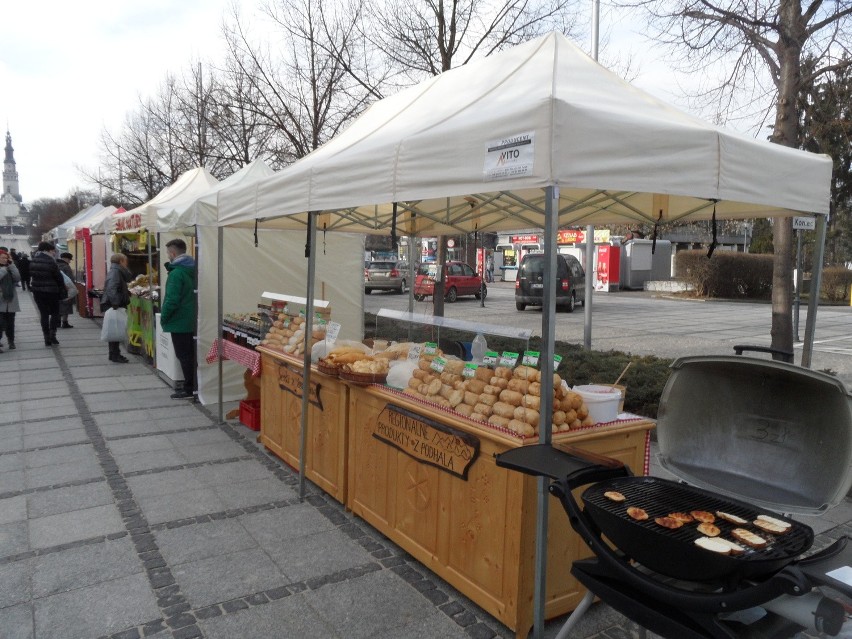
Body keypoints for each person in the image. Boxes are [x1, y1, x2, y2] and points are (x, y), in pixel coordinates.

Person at [161, 238, 196, 399]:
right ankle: (193, 385)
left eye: (168, 253)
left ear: (173, 253)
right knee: (190, 355)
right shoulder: (194, 269)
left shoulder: (176, 273)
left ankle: (189, 388)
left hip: (179, 321)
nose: (168, 256)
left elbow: (171, 300)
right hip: (191, 319)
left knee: (184, 356)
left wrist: (164, 318)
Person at [29, 241, 65, 347]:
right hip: (51, 291)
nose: (54, 253)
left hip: (37, 291)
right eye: (53, 251)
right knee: (55, 313)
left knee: (44, 314)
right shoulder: (51, 261)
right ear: (48, 250)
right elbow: (58, 277)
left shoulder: (33, 260)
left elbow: (31, 274)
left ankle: (46, 337)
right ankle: (52, 335)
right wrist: (62, 288)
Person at [101, 253, 133, 363]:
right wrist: (116, 304)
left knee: (115, 329)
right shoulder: (115, 272)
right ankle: (115, 354)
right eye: (125, 261)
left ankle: (114, 354)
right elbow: (111, 288)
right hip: (115, 305)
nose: (127, 263)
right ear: (121, 261)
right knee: (115, 330)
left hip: (115, 304)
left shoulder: (117, 271)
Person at [0, 249, 20, 350]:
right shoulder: (4, 269)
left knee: (10, 322)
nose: (5, 260)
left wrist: (12, 266)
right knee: (0, 323)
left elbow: (17, 278)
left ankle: (11, 340)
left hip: (10, 300)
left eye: (6, 258)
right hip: (1, 300)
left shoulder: (10, 267)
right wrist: (4, 270)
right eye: (2, 258)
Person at [57, 252, 75, 328]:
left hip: (56, 288)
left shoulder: (55, 265)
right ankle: (65, 322)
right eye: (69, 259)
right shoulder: (66, 266)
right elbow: (70, 279)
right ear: (66, 258)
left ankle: (57, 322)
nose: (70, 261)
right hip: (65, 289)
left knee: (57, 305)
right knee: (66, 305)